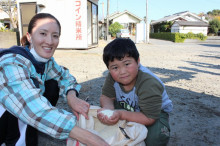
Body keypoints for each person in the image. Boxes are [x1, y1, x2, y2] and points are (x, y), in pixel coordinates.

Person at [0, 13, 109, 146]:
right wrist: (89, 137)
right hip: (8, 119)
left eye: (55, 36)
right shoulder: (11, 63)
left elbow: (65, 77)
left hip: (26, 113)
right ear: (29, 37)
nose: (50, 41)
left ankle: (33, 130)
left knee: (52, 84)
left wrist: (71, 97)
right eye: (43, 33)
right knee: (28, 97)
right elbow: (32, 108)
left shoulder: (46, 62)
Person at [97, 38, 173, 146]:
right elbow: (106, 96)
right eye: (115, 67)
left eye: (127, 64)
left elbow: (149, 117)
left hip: (154, 113)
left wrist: (120, 114)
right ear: (109, 69)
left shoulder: (149, 83)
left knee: (155, 137)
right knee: (104, 119)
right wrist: (109, 111)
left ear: (138, 61)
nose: (122, 72)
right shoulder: (112, 77)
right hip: (129, 106)